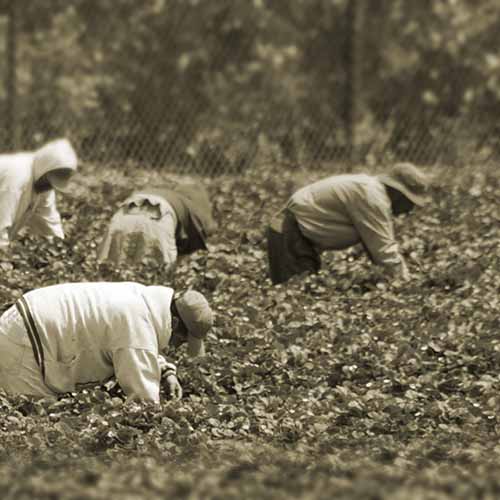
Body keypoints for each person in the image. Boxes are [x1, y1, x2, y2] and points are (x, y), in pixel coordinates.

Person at [0, 282, 214, 402]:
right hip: (26, 338)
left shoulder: (143, 300)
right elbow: (144, 402)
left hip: (29, 318)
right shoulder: (136, 323)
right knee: (34, 418)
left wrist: (166, 372)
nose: (178, 346)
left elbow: (134, 342)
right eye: (182, 339)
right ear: (174, 322)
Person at [267, 162, 431, 284]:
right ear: (398, 193)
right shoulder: (373, 198)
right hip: (290, 233)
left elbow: (376, 250)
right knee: (295, 297)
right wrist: (406, 285)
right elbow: (383, 251)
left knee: (301, 293)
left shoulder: (371, 189)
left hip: (295, 235)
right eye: (410, 202)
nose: (410, 210)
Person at [97, 183, 216, 271]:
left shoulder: (166, 194)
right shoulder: (192, 208)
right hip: (159, 217)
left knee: (112, 271)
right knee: (157, 278)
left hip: (124, 212)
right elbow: (194, 249)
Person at [0, 138, 78, 253]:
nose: (50, 187)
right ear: (44, 170)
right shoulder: (17, 178)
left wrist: (60, 250)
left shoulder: (42, 181)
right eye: (49, 182)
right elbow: (1, 222)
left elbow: (49, 220)